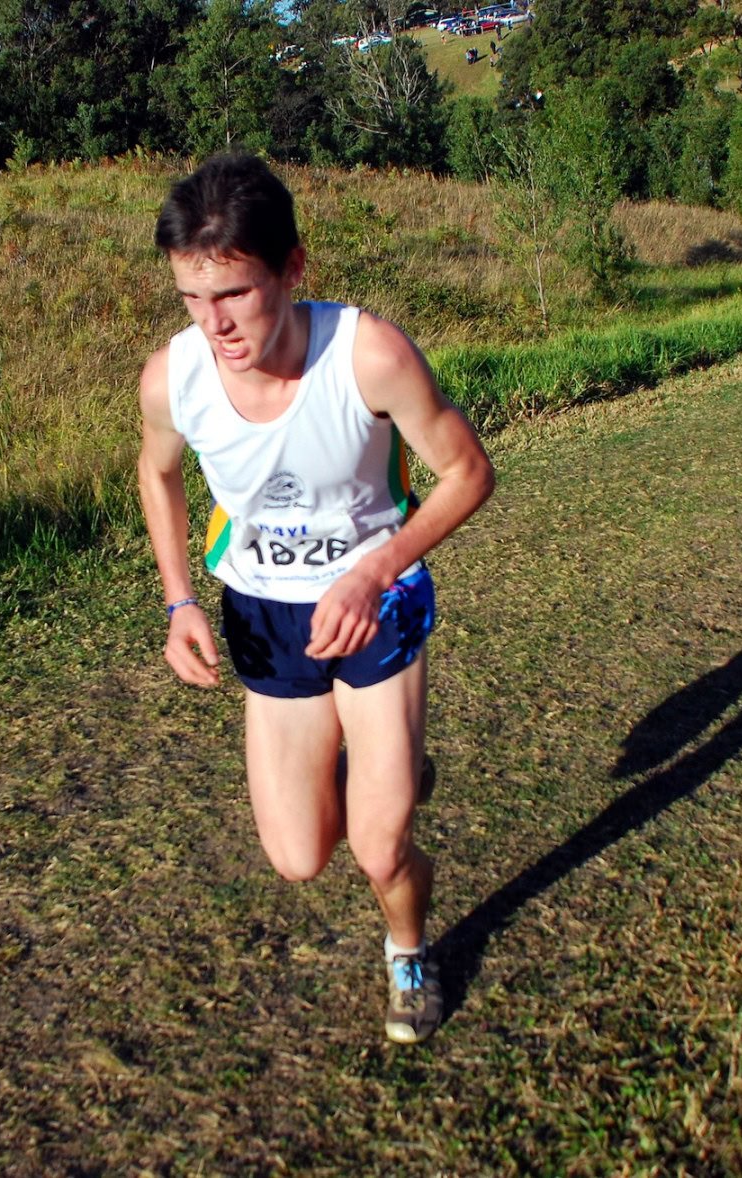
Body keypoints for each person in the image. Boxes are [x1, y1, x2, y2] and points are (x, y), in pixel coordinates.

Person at [136, 155, 495, 1045]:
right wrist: (180, 600)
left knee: (378, 848)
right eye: (190, 297)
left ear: (294, 269)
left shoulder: (366, 354)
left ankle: (407, 951)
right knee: (299, 858)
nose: (213, 324)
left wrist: (377, 568)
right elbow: (157, 471)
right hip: (264, 613)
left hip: (377, 601)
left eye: (236, 295)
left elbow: (467, 473)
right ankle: (384, 767)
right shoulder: (172, 378)